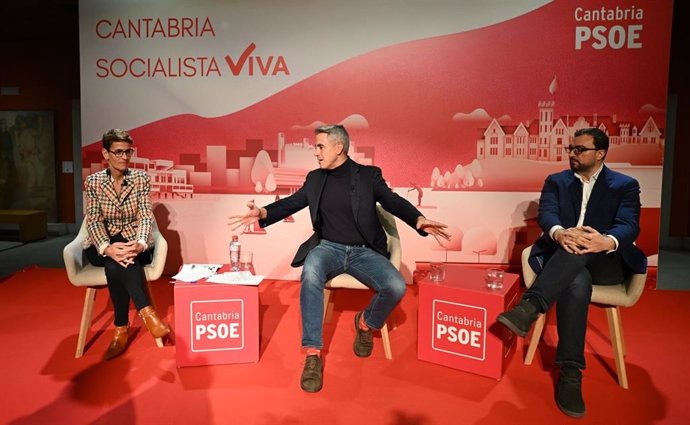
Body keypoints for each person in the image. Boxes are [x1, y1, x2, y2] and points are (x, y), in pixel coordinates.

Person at [230, 124, 450, 392]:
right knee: (310, 271)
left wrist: (418, 219)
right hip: (328, 248)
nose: (316, 152)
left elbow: (392, 201)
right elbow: (292, 202)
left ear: (339, 147)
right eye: (315, 147)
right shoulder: (315, 178)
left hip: (365, 251)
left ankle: (365, 323)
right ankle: (312, 354)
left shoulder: (368, 176)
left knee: (396, 286)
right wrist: (263, 213)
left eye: (320, 146)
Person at [496, 127, 646, 418]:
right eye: (570, 149)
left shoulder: (625, 185)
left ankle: (530, 306)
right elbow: (547, 215)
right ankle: (571, 372)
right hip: (566, 260)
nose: (572, 154)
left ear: (600, 154)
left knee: (581, 249)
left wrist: (606, 240)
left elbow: (630, 224)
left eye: (580, 149)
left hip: (606, 261)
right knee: (575, 278)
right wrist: (559, 233)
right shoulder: (556, 181)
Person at [83, 129, 170, 360]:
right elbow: (93, 221)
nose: (124, 157)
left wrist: (141, 244)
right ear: (106, 153)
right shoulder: (93, 182)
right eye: (118, 152)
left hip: (133, 242)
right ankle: (147, 312)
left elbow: (144, 216)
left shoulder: (140, 179)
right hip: (102, 245)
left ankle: (120, 329)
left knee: (116, 265)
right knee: (114, 259)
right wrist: (107, 247)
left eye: (128, 151)